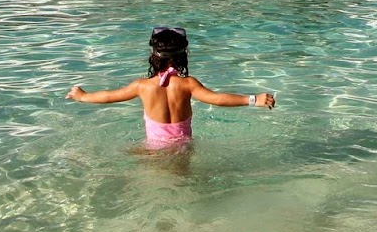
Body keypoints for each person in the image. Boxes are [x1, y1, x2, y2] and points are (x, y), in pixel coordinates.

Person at [66, 26, 275, 149]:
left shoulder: (142, 86)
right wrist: (253, 99)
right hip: (182, 148)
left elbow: (109, 96)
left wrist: (83, 96)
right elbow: (217, 99)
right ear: (183, 56)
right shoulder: (188, 84)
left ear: (153, 57)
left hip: (154, 149)